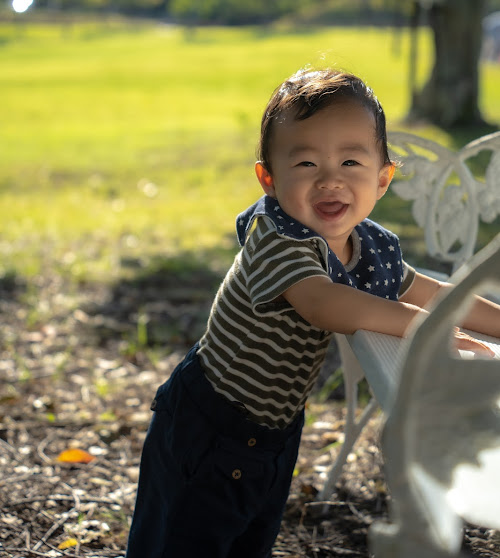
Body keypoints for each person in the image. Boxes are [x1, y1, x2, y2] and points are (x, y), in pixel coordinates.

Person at [125, 68, 500, 558]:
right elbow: (325, 304)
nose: (330, 180)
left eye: (350, 161)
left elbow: (433, 292)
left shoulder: (365, 246)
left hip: (273, 430)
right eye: (305, 163)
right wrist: (433, 333)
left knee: (247, 541)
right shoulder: (276, 238)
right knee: (180, 544)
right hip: (210, 424)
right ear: (268, 177)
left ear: (383, 178)